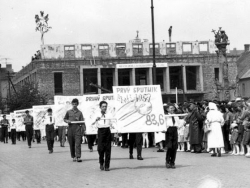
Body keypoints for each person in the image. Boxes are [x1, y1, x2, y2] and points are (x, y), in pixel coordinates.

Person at [92, 101, 113, 171]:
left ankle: (107, 166)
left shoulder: (109, 114)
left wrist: (116, 130)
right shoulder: (96, 114)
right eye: (103, 106)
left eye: (105, 106)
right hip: (100, 131)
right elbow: (92, 122)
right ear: (100, 107)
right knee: (100, 149)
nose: (104, 108)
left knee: (108, 149)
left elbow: (112, 123)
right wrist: (96, 119)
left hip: (107, 131)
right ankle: (101, 162)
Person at [165, 104, 180, 169]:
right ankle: (167, 161)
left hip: (175, 130)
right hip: (169, 130)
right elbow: (163, 124)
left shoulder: (176, 116)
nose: (172, 109)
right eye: (170, 108)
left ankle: (172, 162)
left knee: (174, 147)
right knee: (169, 147)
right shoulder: (165, 116)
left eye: (173, 108)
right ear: (167, 109)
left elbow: (179, 124)